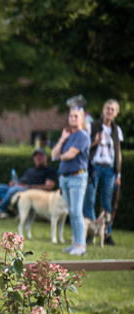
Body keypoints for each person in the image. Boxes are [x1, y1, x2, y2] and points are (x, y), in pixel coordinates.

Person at [52, 106, 91, 255]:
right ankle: (75, 243)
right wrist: (62, 139)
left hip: (77, 177)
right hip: (65, 178)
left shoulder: (83, 136)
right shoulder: (68, 136)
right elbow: (53, 153)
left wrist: (58, 156)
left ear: (81, 119)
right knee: (71, 211)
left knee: (76, 211)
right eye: (71, 116)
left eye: (76, 116)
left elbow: (70, 155)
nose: (73, 119)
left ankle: (81, 246)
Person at [0, 148, 58, 218]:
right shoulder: (29, 170)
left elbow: (48, 187)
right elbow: (21, 182)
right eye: (36, 156)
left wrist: (28, 186)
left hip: (28, 192)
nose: (37, 157)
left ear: (45, 158)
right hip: (15, 188)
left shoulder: (50, 170)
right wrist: (14, 183)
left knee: (14, 190)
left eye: (40, 155)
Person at [84, 99, 122, 245]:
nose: (109, 111)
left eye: (113, 109)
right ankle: (91, 231)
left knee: (107, 202)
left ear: (116, 113)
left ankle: (106, 233)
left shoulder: (116, 130)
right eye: (107, 108)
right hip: (94, 166)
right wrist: (95, 140)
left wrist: (118, 173)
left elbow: (118, 153)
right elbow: (85, 146)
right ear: (103, 109)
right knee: (90, 199)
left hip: (110, 169)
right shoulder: (92, 126)